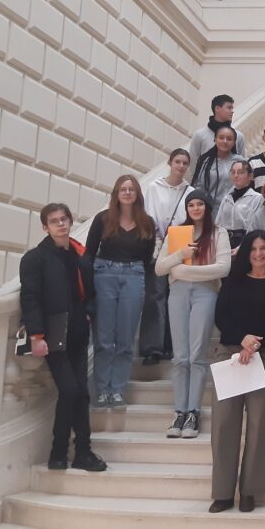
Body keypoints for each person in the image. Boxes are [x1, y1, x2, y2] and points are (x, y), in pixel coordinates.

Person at [20, 203, 107, 472]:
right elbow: (30, 298)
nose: (61, 224)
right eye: (54, 221)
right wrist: (36, 335)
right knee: (69, 390)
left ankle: (83, 451)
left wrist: (89, 314)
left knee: (82, 393)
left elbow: (90, 293)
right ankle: (58, 450)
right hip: (53, 335)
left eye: (64, 219)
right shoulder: (34, 259)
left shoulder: (80, 256)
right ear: (45, 227)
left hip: (79, 333)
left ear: (70, 222)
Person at [210, 230, 265, 514]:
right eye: (253, 248)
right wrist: (242, 339)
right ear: (246, 252)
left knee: (260, 426)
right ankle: (221, 492)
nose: (258, 253)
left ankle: (250, 491)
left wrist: (254, 343)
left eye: (264, 248)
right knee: (224, 424)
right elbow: (221, 316)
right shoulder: (233, 281)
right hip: (230, 353)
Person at [155, 190, 232, 439]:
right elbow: (159, 268)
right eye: (191, 204)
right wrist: (180, 256)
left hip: (206, 292)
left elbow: (223, 268)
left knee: (197, 354)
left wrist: (181, 271)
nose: (196, 208)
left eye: (200, 204)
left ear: (208, 207)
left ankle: (193, 412)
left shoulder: (218, 233)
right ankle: (179, 411)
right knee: (180, 356)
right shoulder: (177, 233)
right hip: (177, 293)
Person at [85, 175, 155, 409]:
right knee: (104, 338)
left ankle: (117, 391)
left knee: (125, 339)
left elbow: (147, 259)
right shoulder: (103, 219)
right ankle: (103, 390)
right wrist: (86, 290)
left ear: (137, 194)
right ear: (116, 193)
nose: (127, 193)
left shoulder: (147, 222)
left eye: (131, 189)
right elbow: (88, 254)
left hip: (134, 275)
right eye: (123, 189)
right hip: (104, 274)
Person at [141, 148, 194, 365]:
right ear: (170, 163)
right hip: (156, 244)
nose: (181, 166)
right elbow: (147, 214)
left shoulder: (190, 190)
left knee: (177, 297)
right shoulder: (154, 187)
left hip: (179, 245)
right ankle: (153, 348)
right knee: (155, 296)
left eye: (184, 163)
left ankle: (173, 345)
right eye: (177, 162)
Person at [192, 124, 246, 213]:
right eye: (221, 138)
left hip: (235, 212)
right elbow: (199, 187)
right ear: (215, 139)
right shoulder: (206, 162)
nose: (225, 141)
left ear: (234, 142)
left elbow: (246, 186)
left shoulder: (241, 162)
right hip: (210, 212)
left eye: (229, 139)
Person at [215, 160, 264, 248]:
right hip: (225, 242)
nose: (236, 176)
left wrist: (241, 247)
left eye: (240, 172)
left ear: (250, 176)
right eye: (233, 173)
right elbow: (218, 224)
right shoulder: (226, 198)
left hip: (245, 242)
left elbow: (254, 226)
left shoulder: (257, 198)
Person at [189, 93, 246, 165]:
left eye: (232, 108)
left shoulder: (239, 136)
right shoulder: (200, 135)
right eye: (229, 108)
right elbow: (193, 162)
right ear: (217, 108)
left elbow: (242, 165)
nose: (232, 111)